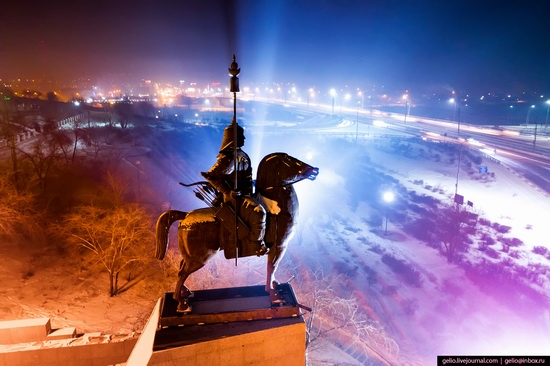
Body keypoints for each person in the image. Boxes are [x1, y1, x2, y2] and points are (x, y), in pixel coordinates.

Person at [201, 121, 268, 256]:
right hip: (234, 198)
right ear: (233, 138)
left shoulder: (241, 155)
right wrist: (228, 191)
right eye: (241, 136)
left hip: (246, 193)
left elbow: (244, 177)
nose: (244, 138)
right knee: (259, 212)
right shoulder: (229, 158)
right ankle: (255, 245)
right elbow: (211, 176)